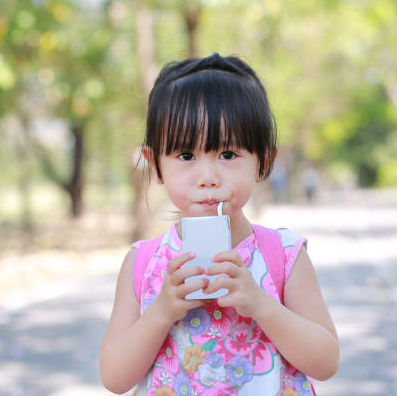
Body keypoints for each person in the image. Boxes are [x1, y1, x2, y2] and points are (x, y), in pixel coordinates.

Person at [99, 53, 339, 395]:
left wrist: (260, 304)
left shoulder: (283, 256)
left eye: (228, 155)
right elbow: (113, 377)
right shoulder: (143, 263)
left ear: (263, 161)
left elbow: (326, 361)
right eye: (185, 156)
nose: (208, 177)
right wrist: (161, 312)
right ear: (156, 165)